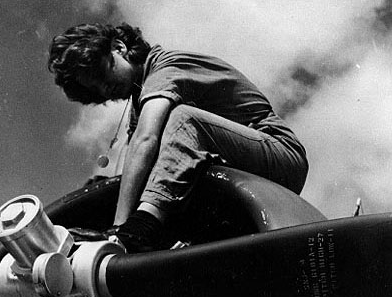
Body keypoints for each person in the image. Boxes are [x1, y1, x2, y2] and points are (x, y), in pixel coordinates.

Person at [48, 22, 309, 252]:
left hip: (280, 154)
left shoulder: (166, 68)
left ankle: (144, 225)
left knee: (185, 119)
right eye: (94, 88)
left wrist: (119, 231)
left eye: (102, 73)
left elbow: (145, 140)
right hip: (241, 173)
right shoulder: (141, 101)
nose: (104, 87)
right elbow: (128, 166)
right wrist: (106, 200)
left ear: (118, 47)